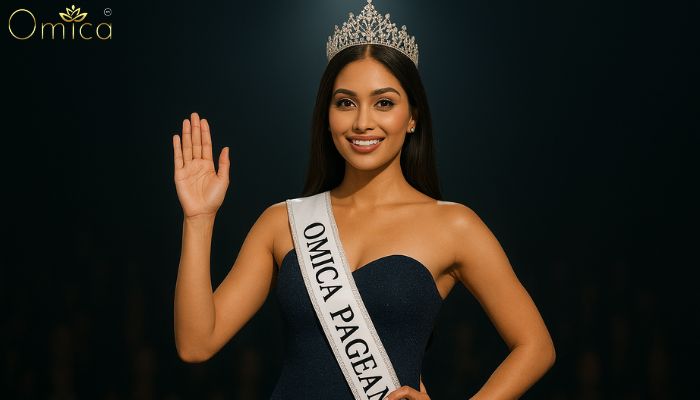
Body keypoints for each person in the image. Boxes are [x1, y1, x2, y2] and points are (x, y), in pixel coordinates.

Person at [171, 1, 555, 398]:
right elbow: (197, 344)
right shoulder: (282, 222)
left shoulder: (454, 226)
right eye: (346, 102)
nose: (362, 122)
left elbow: (536, 347)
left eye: (384, 103)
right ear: (328, 115)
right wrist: (198, 219)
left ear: (412, 117)